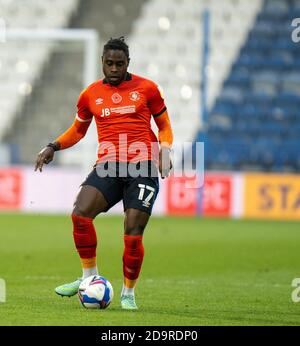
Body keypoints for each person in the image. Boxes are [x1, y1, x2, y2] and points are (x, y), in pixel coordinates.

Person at [35, 37, 173, 310]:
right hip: (108, 165)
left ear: (128, 64)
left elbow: (164, 125)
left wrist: (165, 149)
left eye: (119, 64)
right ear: (102, 62)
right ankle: (88, 279)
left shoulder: (147, 89)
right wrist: (53, 146)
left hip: (142, 167)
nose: (113, 68)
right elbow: (78, 130)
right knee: (80, 214)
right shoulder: (90, 95)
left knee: (132, 233)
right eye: (109, 63)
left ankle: (128, 293)